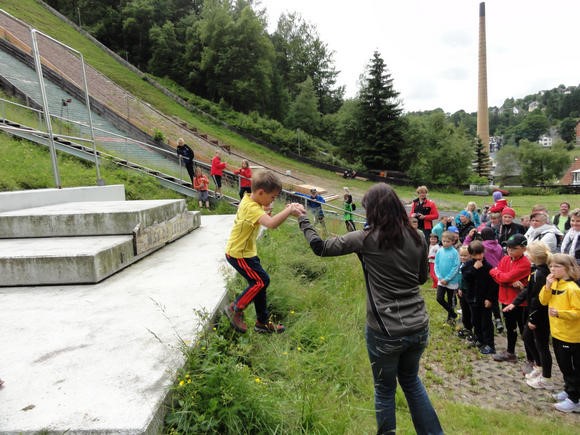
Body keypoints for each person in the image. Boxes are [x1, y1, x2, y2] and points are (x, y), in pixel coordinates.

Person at [296, 183, 443, 435]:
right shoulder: (418, 237)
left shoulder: (363, 239)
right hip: (419, 324)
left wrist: (302, 219)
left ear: (373, 211)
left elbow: (320, 248)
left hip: (385, 330)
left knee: (384, 390)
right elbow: (421, 279)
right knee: (411, 381)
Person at [223, 171, 303, 334]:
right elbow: (272, 224)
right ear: (260, 192)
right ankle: (235, 308)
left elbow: (262, 213)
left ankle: (262, 322)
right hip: (239, 254)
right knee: (260, 282)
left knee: (260, 284)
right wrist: (289, 211)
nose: (273, 200)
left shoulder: (249, 200)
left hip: (247, 252)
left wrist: (272, 209)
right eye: (272, 197)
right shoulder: (252, 208)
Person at [504, 241, 552, 389]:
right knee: (527, 338)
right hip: (532, 312)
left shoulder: (541, 274)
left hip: (539, 316)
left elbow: (538, 300)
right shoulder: (535, 271)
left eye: (528, 253)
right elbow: (527, 290)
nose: (526, 255)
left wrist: (533, 319)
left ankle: (545, 376)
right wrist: (515, 303)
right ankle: (538, 367)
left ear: (534, 256)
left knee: (541, 345)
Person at [539, 253, 580, 413]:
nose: (552, 269)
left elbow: (578, 311)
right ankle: (569, 389)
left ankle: (574, 399)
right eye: (551, 266)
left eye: (557, 266)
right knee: (563, 366)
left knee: (572, 368)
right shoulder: (554, 283)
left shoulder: (573, 288)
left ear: (568, 268)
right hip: (556, 332)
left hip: (572, 335)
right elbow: (543, 300)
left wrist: (561, 313)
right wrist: (548, 286)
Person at [490, 234, 532, 363]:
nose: (510, 250)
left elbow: (504, 277)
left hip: (520, 302)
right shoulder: (506, 259)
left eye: (514, 248)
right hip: (505, 299)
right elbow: (494, 273)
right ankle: (510, 352)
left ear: (524, 249)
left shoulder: (525, 263)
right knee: (510, 327)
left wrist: (502, 276)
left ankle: (531, 359)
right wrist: (504, 278)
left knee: (524, 330)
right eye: (508, 247)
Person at [462, 240, 498, 355]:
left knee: (486, 322)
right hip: (472, 299)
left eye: (480, 253)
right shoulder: (468, 265)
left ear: (484, 252)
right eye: (475, 254)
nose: (478, 256)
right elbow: (465, 278)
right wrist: (474, 269)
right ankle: (479, 340)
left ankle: (490, 344)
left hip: (484, 300)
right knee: (475, 320)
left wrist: (489, 299)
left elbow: (493, 285)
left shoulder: (488, 266)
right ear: (471, 255)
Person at [435, 231, 461, 325]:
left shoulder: (454, 253)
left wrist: (447, 279)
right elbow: (436, 264)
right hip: (441, 280)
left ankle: (450, 319)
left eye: (448, 241)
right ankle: (453, 314)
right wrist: (440, 277)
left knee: (451, 300)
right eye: (444, 241)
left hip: (451, 281)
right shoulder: (439, 250)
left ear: (453, 242)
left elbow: (456, 267)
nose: (445, 243)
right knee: (439, 298)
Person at [456, 245, 474, 341]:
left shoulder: (471, 266)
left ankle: (472, 330)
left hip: (469, 292)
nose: (463, 257)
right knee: (464, 310)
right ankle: (467, 328)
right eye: (461, 255)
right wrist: (459, 288)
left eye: (465, 256)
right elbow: (460, 279)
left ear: (470, 255)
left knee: (471, 311)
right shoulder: (460, 264)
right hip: (461, 290)